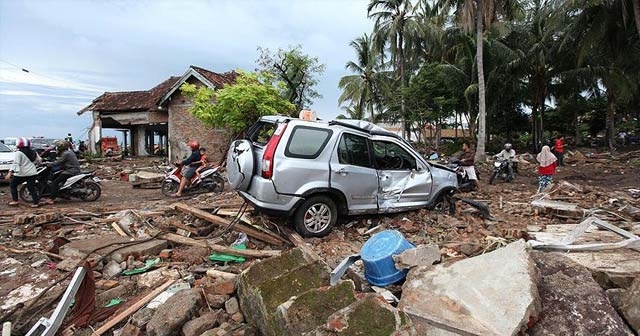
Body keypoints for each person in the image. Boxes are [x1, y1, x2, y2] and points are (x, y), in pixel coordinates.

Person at [5, 138, 41, 207]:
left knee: (13, 185)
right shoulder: (33, 152)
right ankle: (36, 203)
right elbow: (39, 161)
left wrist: (10, 173)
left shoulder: (19, 153)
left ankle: (15, 201)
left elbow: (16, 163)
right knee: (31, 188)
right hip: (32, 173)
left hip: (22, 173)